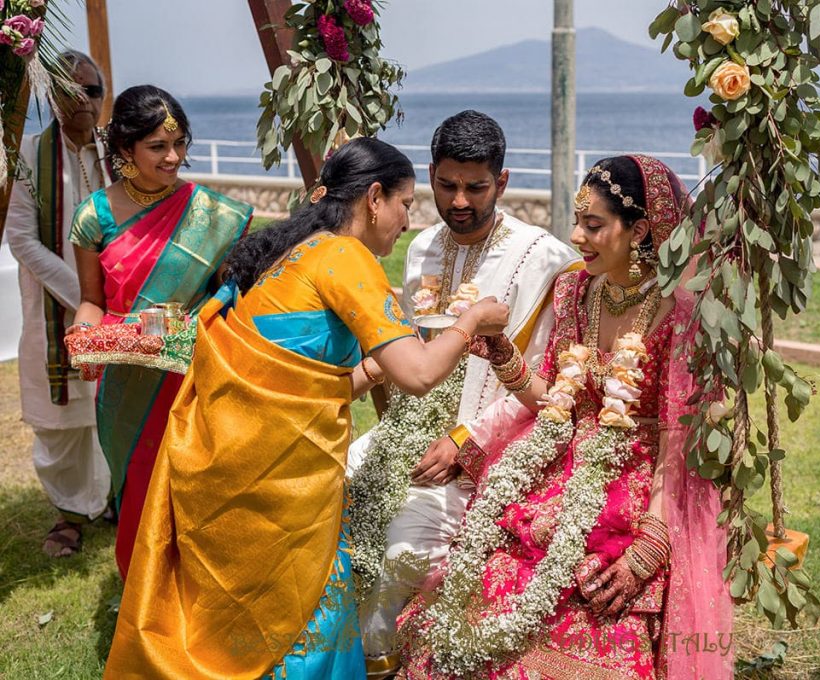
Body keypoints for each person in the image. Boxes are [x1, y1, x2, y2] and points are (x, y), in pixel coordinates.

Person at [102, 138, 510, 679]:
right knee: (300, 616)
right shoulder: (345, 256)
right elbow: (419, 374)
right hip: (278, 486)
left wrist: (382, 361)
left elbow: (311, 382)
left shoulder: (296, 254)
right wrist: (472, 320)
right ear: (373, 197)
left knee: (238, 622)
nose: (408, 221)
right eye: (406, 204)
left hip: (228, 465)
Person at [396, 156, 733, 679]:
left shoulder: (683, 313)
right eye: (578, 221)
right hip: (563, 462)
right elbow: (554, 398)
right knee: (484, 581)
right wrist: (504, 355)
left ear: (640, 230)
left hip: (640, 480)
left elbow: (676, 441)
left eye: (594, 225)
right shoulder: (576, 292)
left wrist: (651, 544)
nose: (577, 236)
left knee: (593, 604)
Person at [346, 110, 579, 676]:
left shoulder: (545, 258)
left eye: (476, 187)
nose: (458, 201)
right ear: (429, 175)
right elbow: (407, 344)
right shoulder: (423, 245)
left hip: (485, 447)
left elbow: (550, 377)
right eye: (446, 185)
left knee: (398, 554)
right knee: (328, 499)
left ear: (501, 182)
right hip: (406, 427)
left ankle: (382, 660)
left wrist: (463, 441)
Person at [66, 85, 253, 578]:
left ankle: (196, 590)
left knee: (196, 486)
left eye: (180, 143)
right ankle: (143, 595)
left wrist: (198, 322)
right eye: (157, 147)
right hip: (126, 376)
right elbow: (92, 301)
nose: (174, 157)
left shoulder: (212, 215)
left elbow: (231, 294)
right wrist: (84, 341)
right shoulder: (94, 217)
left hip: (193, 373)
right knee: (139, 485)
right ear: (125, 149)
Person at [6, 50, 113, 557]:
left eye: (93, 91)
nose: (85, 102)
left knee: (109, 411)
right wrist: (84, 296)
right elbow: (22, 240)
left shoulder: (117, 154)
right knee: (62, 423)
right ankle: (69, 513)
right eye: (72, 91)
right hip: (57, 306)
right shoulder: (28, 154)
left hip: (119, 306)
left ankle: (110, 497)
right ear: (52, 96)